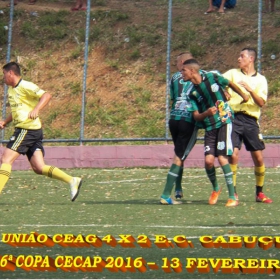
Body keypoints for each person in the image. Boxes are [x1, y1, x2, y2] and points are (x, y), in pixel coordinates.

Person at [0, 62, 82, 202]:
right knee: (39, 167)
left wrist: (37, 109)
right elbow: (18, 111)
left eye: (4, 74)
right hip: (32, 130)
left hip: (27, 129)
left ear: (10, 73)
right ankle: (72, 180)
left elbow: (47, 95)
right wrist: (5, 122)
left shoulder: (26, 85)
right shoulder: (12, 90)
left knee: (6, 159)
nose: (3, 78)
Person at [181, 59, 248, 207]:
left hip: (225, 121)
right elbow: (196, 116)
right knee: (208, 161)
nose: (181, 74)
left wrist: (243, 95)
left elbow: (229, 83)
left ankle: (232, 196)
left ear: (192, 71)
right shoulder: (191, 92)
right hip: (209, 126)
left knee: (222, 158)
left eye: (183, 70)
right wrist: (206, 113)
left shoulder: (212, 77)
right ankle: (216, 189)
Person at [223, 47, 272, 203]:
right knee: (233, 154)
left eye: (242, 56)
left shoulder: (261, 79)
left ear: (251, 59)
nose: (239, 58)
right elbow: (217, 82)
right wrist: (224, 93)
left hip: (251, 121)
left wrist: (250, 90)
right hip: (234, 118)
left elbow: (261, 103)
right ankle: (233, 193)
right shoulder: (232, 73)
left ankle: (259, 193)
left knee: (258, 157)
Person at [160, 52, 198, 205]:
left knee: (179, 153)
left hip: (173, 119)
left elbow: (173, 97)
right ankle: (166, 194)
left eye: (177, 64)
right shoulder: (198, 77)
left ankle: (178, 188)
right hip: (187, 120)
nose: (178, 68)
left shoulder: (174, 78)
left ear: (183, 62)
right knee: (180, 156)